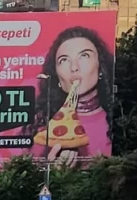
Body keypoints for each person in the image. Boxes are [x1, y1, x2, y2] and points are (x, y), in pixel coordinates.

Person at [29, 26, 114, 165]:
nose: (74, 67)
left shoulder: (118, 122)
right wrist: (53, 172)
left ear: (101, 67)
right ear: (56, 75)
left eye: (84, 56)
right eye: (64, 60)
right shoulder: (42, 128)